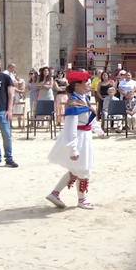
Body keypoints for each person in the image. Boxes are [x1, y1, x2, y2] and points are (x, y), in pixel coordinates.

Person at [45, 71, 104, 210]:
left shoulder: (83, 98)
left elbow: (90, 117)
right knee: (83, 169)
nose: (90, 84)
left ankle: (55, 193)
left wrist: (98, 129)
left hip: (85, 136)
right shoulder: (73, 102)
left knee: (76, 169)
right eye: (87, 82)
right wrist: (73, 148)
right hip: (79, 138)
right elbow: (70, 127)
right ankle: (82, 199)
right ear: (78, 85)